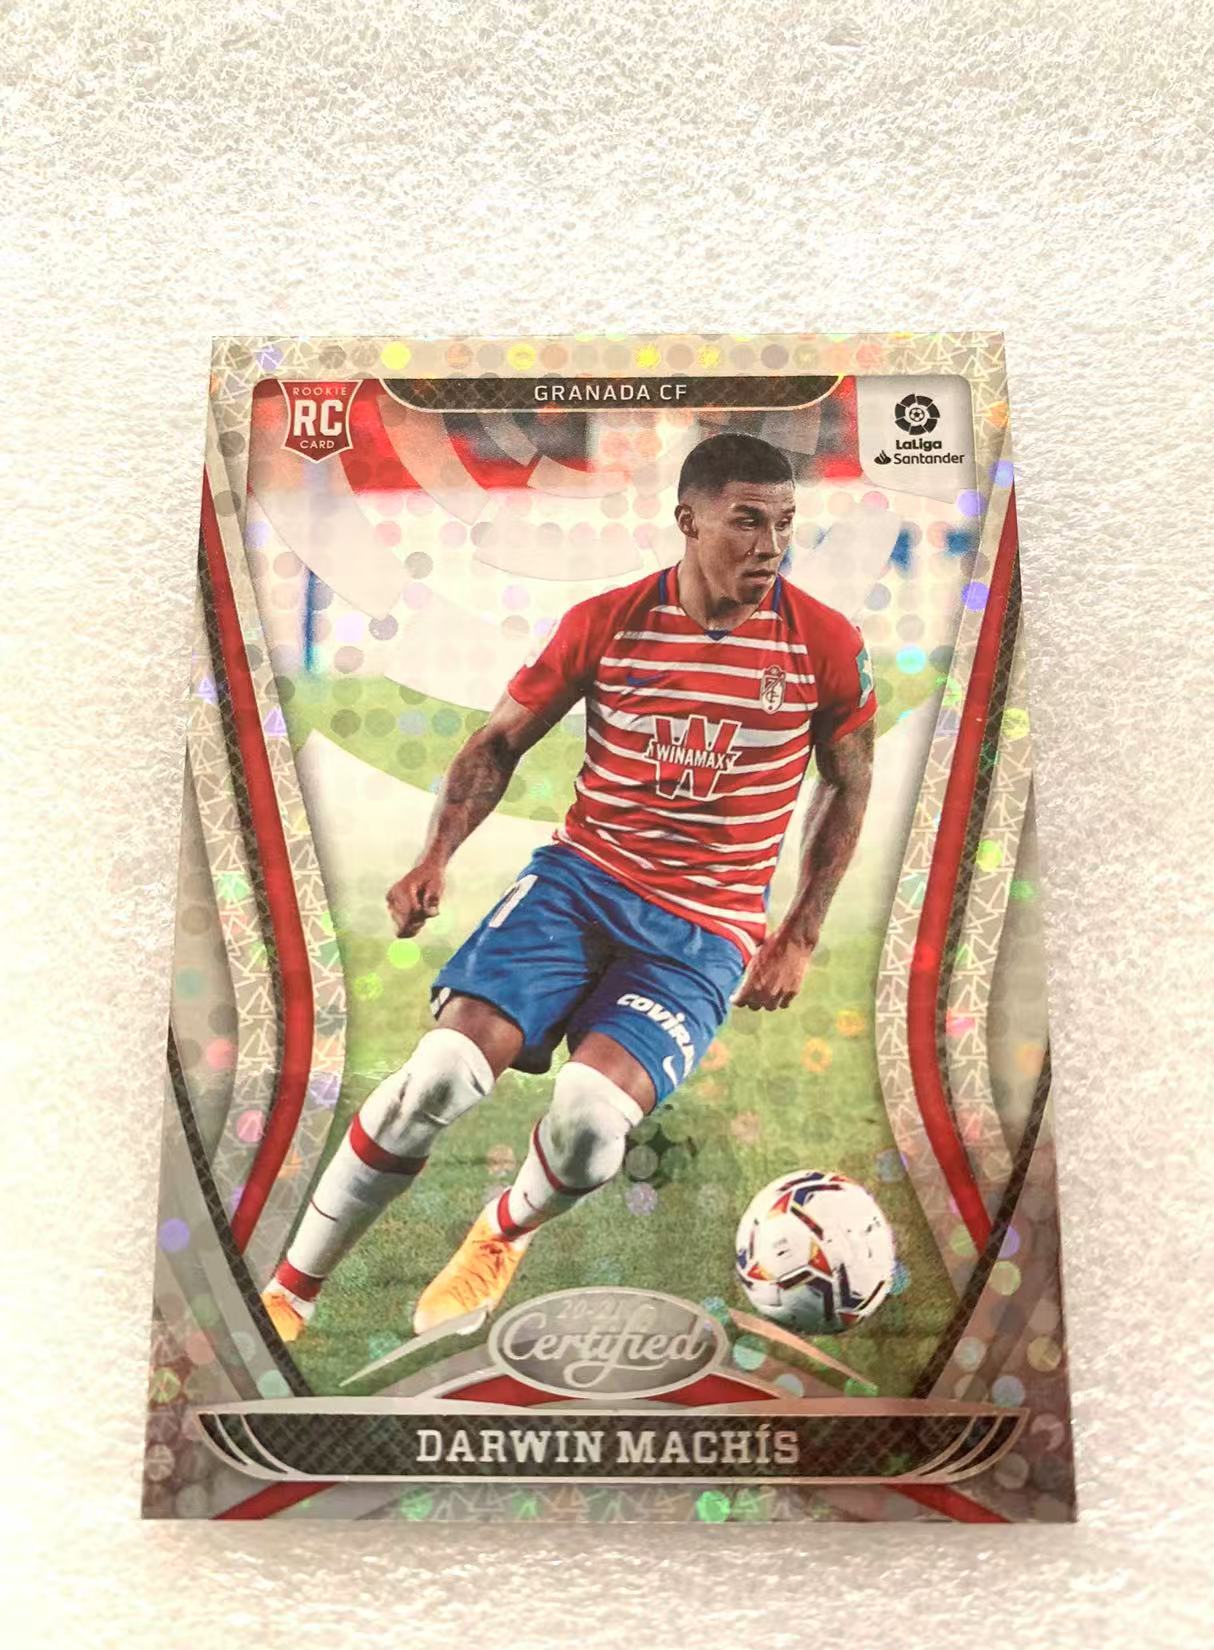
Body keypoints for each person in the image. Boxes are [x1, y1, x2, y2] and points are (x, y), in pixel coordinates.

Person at [262, 432, 877, 1344]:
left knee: (590, 1130)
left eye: (785, 524)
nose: (771, 546)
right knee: (438, 1076)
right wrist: (436, 857)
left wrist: (799, 933)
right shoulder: (609, 622)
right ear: (689, 520)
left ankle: (501, 1232)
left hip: (703, 931)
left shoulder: (823, 644)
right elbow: (498, 742)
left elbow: (849, 781)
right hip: (579, 885)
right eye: (747, 522)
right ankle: (289, 1292)